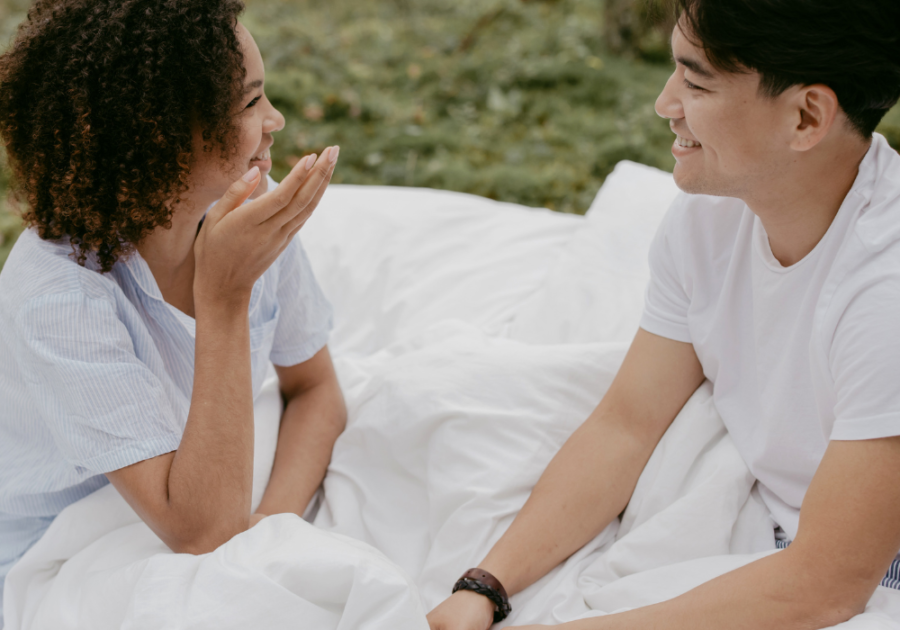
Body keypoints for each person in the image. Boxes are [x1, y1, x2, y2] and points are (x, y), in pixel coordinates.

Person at [427, 0, 900, 628]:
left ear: (806, 115)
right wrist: (484, 587)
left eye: (696, 82)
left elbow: (826, 586)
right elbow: (627, 424)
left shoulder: (884, 293)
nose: (664, 103)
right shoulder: (712, 213)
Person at [0, 0, 346, 623]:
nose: (276, 119)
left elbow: (316, 389)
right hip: (62, 549)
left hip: (198, 495)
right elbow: (202, 533)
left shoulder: (246, 212)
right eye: (249, 103)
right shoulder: (58, 295)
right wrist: (225, 295)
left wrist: (275, 523)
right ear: (157, 135)